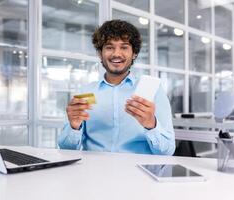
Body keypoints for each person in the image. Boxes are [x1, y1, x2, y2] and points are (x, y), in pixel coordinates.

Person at [58, 19, 175, 155]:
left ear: (134, 54)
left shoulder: (153, 91)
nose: (116, 54)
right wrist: (74, 127)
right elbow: (66, 150)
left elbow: (167, 151)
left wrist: (151, 125)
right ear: (100, 54)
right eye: (109, 47)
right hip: (94, 172)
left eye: (124, 47)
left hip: (138, 173)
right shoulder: (87, 92)